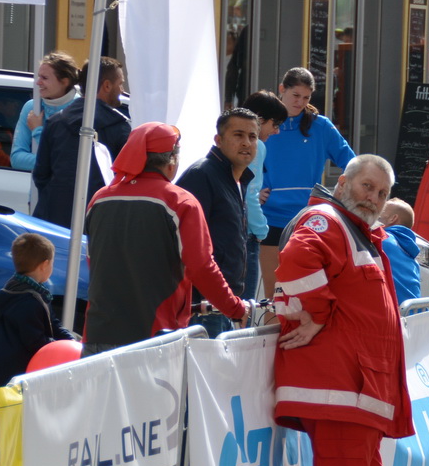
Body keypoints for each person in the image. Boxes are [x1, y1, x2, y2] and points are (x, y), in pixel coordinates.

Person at [271, 154, 411, 466]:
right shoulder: (325, 220)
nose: (372, 197)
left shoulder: (357, 232)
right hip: (340, 390)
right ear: (344, 182)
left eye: (380, 192)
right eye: (366, 186)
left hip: (359, 391)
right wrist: (314, 313)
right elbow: (295, 259)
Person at [84, 123, 248, 354]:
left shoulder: (99, 199)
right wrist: (235, 308)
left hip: (97, 332)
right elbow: (202, 267)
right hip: (154, 337)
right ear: (172, 160)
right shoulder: (180, 201)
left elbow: (94, 262)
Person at [261, 67, 356, 290]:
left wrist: (342, 194)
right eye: (295, 95)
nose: (300, 102)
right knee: (273, 296)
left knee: (306, 293)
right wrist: (253, 191)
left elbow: (352, 163)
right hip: (270, 219)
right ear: (281, 90)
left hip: (309, 220)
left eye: (306, 97)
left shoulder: (321, 126)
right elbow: (242, 163)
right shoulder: (264, 124)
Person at [175, 109, 263, 334]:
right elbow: (189, 251)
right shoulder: (201, 175)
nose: (246, 143)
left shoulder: (237, 179)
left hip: (225, 303)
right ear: (219, 140)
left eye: (252, 137)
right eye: (238, 135)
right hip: (202, 308)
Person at [33, 57, 130, 229]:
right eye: (120, 84)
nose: (122, 90)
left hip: (53, 220)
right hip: (99, 221)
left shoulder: (56, 121)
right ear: (107, 85)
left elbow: (41, 174)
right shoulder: (119, 126)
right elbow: (126, 178)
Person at [0, 232, 77, 382]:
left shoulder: (15, 289)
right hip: (16, 372)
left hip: (1, 364)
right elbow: (36, 342)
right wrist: (61, 346)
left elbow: (53, 323)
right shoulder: (28, 302)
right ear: (44, 265)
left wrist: (71, 340)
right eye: (52, 263)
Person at [240, 91, 290, 298]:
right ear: (259, 120)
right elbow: (250, 193)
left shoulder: (225, 142)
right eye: (275, 124)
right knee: (246, 306)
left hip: (229, 228)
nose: (277, 131)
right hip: (247, 232)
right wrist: (261, 230)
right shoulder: (256, 145)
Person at [10, 51, 80, 172]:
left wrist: (38, 131)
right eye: (39, 76)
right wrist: (51, 162)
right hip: (38, 189)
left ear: (65, 81)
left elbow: (69, 160)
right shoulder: (32, 107)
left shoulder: (81, 109)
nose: (38, 82)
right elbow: (16, 158)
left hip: (68, 188)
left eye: (45, 78)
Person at [379, 198, 429, 304]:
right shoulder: (410, 254)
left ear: (393, 218)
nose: (376, 212)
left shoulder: (383, 240)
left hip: (395, 314)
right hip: (413, 314)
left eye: (381, 211)